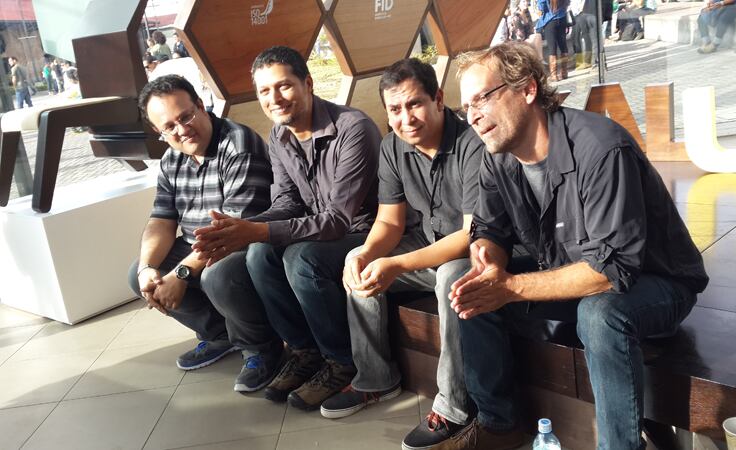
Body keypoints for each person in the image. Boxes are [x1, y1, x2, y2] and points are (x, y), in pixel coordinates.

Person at [431, 41, 709, 450]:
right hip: (572, 271)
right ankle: (499, 424)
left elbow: (611, 271)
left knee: (599, 314)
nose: (472, 116)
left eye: (482, 98)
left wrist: (509, 287)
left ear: (528, 89)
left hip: (656, 283)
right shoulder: (498, 156)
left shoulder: (600, 147)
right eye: (465, 107)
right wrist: (488, 257)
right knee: (465, 280)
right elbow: (490, 228)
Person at [191, 46, 382, 411]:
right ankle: (304, 351)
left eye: (284, 86)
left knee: (301, 258)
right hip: (321, 231)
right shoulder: (279, 136)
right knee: (259, 253)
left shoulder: (353, 128)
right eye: (264, 90)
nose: (274, 98)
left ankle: (341, 361)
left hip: (368, 234)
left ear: (307, 84)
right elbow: (287, 204)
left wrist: (255, 231)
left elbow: (338, 219)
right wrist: (241, 228)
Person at [318, 58, 484, 450]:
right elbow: (390, 222)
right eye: (395, 109)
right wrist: (365, 254)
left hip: (479, 252)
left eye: (414, 104)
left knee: (452, 276)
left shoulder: (471, 143)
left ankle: (454, 407)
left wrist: (396, 263)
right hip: (428, 246)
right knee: (362, 267)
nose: (406, 118)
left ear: (438, 99)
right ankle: (375, 378)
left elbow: (469, 234)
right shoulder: (392, 147)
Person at [128, 74, 284, 393]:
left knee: (218, 274)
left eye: (186, 116)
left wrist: (181, 274)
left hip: (246, 245)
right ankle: (221, 335)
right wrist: (147, 268)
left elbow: (231, 233)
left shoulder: (238, 146)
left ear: (201, 106)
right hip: (200, 247)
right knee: (138, 274)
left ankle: (262, 348)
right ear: (159, 133)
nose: (182, 130)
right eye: (169, 127)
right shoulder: (172, 159)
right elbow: (161, 219)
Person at [536, 0, 570, 81]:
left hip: (550, 20)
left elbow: (541, 7)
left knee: (552, 48)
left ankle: (554, 75)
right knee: (563, 46)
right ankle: (564, 72)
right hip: (562, 18)